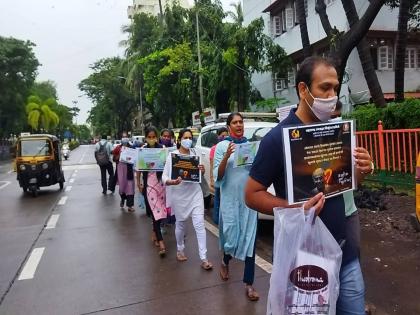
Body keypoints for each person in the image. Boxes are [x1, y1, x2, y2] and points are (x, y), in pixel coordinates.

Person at [245, 56, 374, 314]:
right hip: (306, 262)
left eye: (335, 88)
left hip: (346, 256)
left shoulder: (336, 133)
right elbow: (251, 194)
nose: (332, 95)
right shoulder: (276, 139)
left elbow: (345, 186)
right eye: (324, 88)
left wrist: (362, 171)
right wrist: (294, 208)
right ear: (303, 90)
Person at [213, 113, 259, 302]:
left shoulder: (250, 145)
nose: (239, 125)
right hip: (231, 201)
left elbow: (256, 170)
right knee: (232, 238)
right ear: (229, 126)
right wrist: (226, 156)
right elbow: (218, 175)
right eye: (235, 122)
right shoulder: (222, 146)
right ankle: (225, 261)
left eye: (241, 122)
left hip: (248, 201)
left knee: (250, 240)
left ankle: (249, 284)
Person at [162, 128, 213, 270]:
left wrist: (201, 171)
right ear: (179, 140)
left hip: (195, 194)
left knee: (199, 225)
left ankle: (204, 258)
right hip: (179, 195)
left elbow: (199, 175)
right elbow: (164, 176)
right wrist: (171, 182)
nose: (188, 140)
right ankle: (180, 248)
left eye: (190, 137)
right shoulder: (173, 156)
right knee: (181, 224)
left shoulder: (195, 155)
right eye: (185, 137)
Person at [136, 126, 167, 257]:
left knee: (160, 211)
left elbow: (168, 166)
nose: (152, 139)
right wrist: (138, 183)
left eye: (154, 137)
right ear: (146, 138)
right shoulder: (142, 151)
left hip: (162, 185)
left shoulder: (163, 150)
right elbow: (138, 168)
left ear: (157, 137)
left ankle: (154, 231)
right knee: (155, 212)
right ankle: (161, 243)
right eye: (149, 137)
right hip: (149, 186)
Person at [209, 127, 228, 225]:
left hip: (226, 178)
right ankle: (217, 219)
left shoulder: (229, 146)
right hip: (218, 177)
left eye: (226, 135)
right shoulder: (214, 149)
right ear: (218, 136)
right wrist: (212, 179)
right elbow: (212, 165)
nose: (224, 137)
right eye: (222, 136)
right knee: (217, 198)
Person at [112, 135, 136, 212]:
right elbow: (114, 158)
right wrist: (119, 156)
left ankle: (130, 206)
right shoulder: (118, 148)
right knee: (122, 187)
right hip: (120, 169)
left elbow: (135, 156)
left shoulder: (131, 147)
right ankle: (122, 199)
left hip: (129, 170)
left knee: (130, 187)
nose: (125, 144)